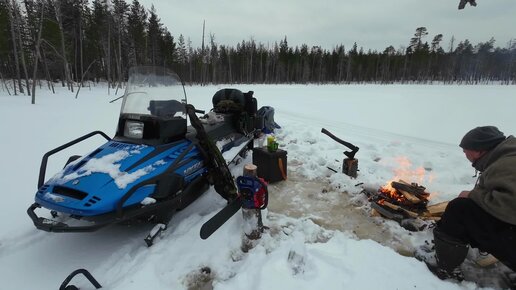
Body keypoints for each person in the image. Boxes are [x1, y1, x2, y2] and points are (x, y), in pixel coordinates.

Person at [427, 126, 516, 280]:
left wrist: (472, 195)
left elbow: (509, 204)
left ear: (479, 150)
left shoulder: (507, 164)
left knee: (459, 209)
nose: (464, 154)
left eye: (466, 150)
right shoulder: (507, 157)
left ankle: (446, 268)